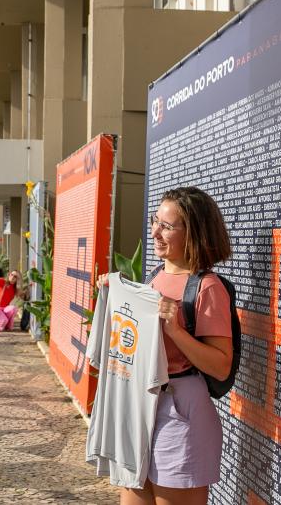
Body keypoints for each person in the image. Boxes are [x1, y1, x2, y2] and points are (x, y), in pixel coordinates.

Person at [98, 187, 233, 505]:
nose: (155, 232)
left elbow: (220, 364)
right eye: (155, 221)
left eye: (167, 226)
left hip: (178, 413)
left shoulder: (207, 288)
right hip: (140, 407)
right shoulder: (154, 277)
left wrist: (175, 330)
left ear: (194, 233)